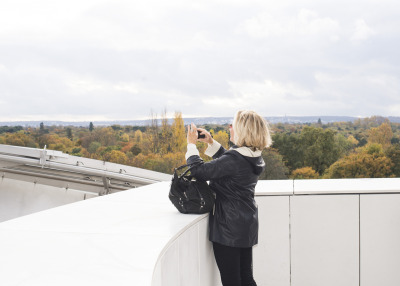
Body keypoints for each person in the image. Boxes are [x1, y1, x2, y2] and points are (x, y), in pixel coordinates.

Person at [185, 110, 272, 286]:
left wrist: (191, 145)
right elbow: (230, 163)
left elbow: (198, 171)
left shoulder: (235, 159)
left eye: (233, 125)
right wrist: (210, 142)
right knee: (246, 277)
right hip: (246, 224)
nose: (230, 128)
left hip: (229, 228)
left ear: (243, 131)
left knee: (232, 281)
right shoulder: (254, 155)